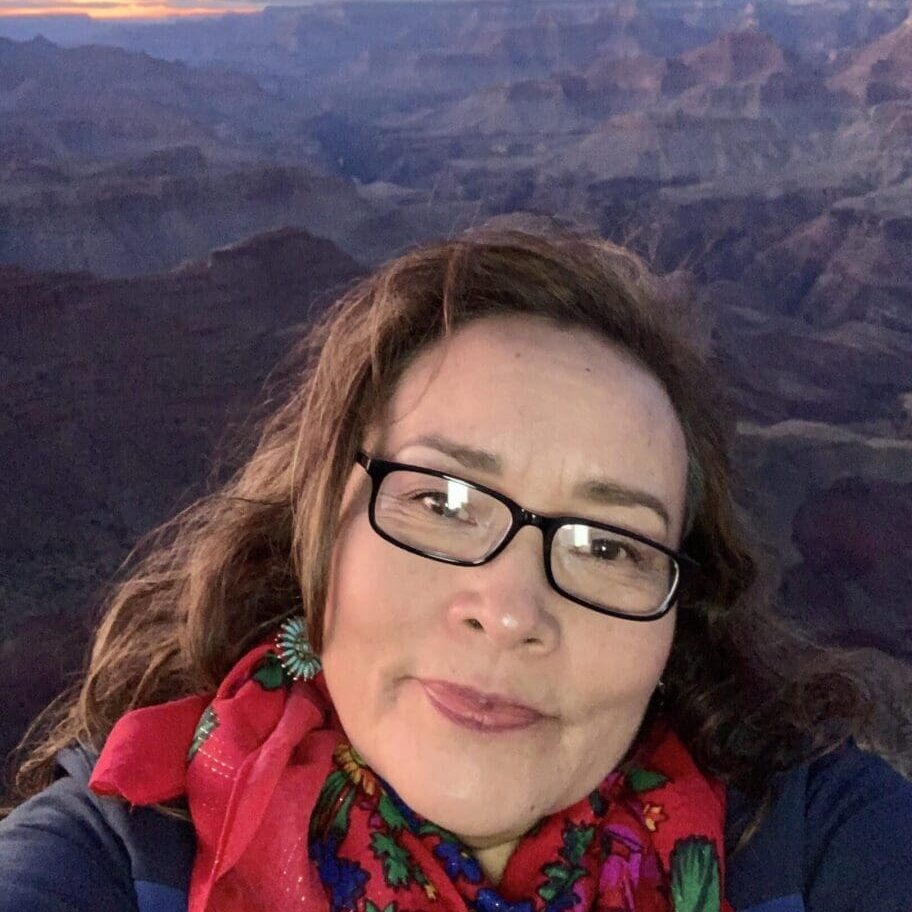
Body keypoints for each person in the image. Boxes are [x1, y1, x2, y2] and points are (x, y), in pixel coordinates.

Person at [1, 229, 910, 912]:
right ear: (324, 528)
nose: (511, 610)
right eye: (441, 501)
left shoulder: (812, 846)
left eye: (606, 545)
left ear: (679, 615)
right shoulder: (117, 857)